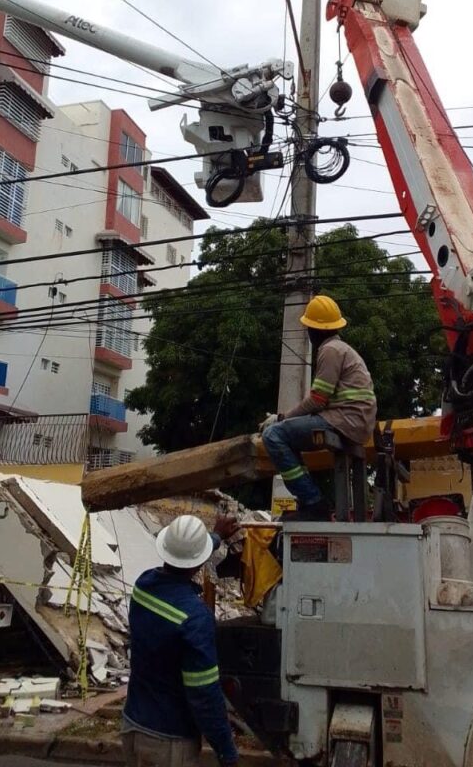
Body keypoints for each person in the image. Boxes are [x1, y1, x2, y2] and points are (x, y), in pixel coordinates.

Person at [123, 513, 240, 767]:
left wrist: (216, 537)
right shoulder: (194, 618)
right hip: (169, 742)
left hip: (133, 725)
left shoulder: (143, 586)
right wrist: (226, 752)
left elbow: (184, 557)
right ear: (198, 562)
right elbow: (204, 694)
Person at [262, 295, 377, 521]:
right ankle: (309, 500)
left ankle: (313, 502)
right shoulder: (342, 349)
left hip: (344, 421)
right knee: (289, 437)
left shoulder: (330, 350)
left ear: (314, 330)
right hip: (353, 421)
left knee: (273, 435)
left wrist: (282, 418)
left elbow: (317, 400)